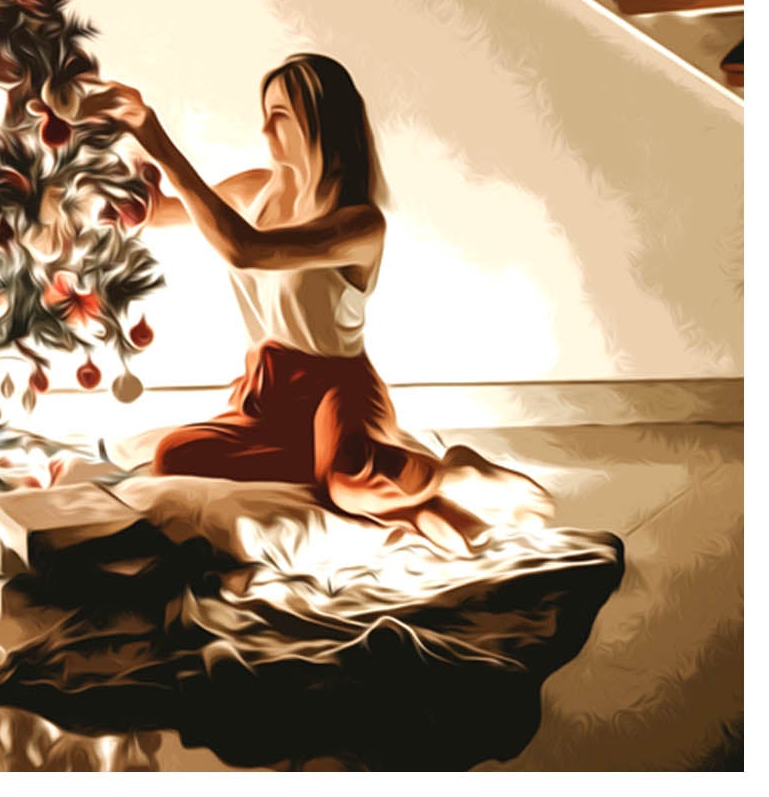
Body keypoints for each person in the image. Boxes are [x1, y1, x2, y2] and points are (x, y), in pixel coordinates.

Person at [79, 54, 552, 554]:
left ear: (319, 122)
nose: (264, 128)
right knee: (175, 455)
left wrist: (160, 143)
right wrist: (132, 193)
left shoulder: (359, 225)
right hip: (270, 393)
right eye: (265, 113)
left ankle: (446, 474)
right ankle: (377, 477)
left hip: (338, 390)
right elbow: (173, 215)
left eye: (279, 115)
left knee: (349, 482)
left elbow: (246, 250)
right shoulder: (255, 188)